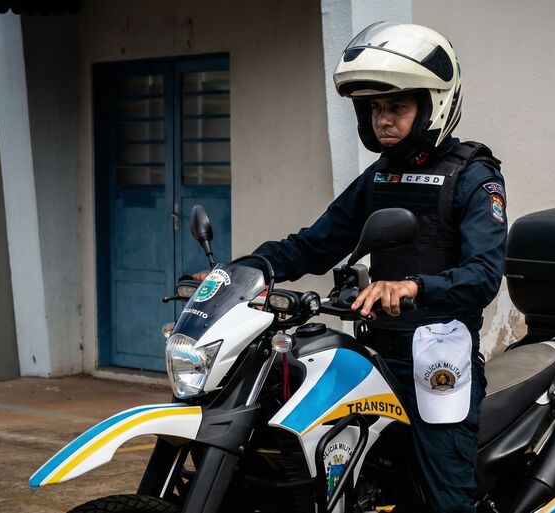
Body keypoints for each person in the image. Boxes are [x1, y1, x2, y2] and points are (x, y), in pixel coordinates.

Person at [197, 22, 506, 513]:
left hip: (437, 358)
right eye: (375, 109)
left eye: (397, 107)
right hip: (375, 352)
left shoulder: (473, 177)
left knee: (448, 498)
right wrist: (246, 270)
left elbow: (484, 275)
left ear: (434, 104)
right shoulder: (380, 176)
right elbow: (317, 243)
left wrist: (410, 287)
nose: (382, 120)